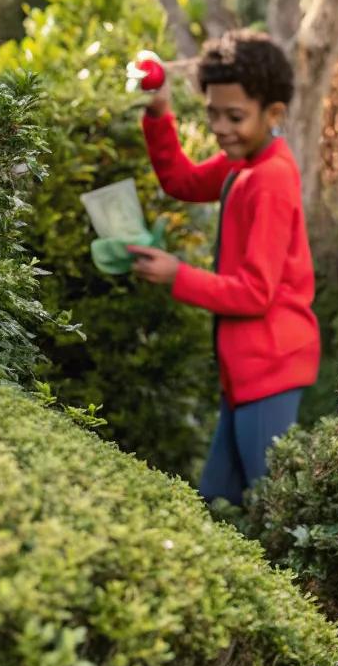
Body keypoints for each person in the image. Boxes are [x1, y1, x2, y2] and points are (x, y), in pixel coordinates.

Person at [129, 30, 320, 505]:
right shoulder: (244, 162)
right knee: (217, 497)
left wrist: (178, 275)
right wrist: (158, 112)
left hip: (270, 367)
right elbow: (181, 180)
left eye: (234, 116)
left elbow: (256, 292)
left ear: (273, 114)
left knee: (270, 507)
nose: (220, 127)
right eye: (212, 112)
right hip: (245, 370)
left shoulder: (270, 178)